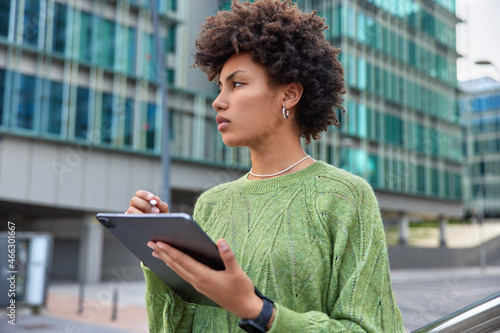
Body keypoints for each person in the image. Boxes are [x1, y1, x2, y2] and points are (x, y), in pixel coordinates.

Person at [127, 0, 404, 332]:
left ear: (289, 95)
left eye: (237, 84)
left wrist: (257, 311)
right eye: (220, 88)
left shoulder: (345, 198)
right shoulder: (211, 204)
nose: (218, 100)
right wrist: (158, 255)